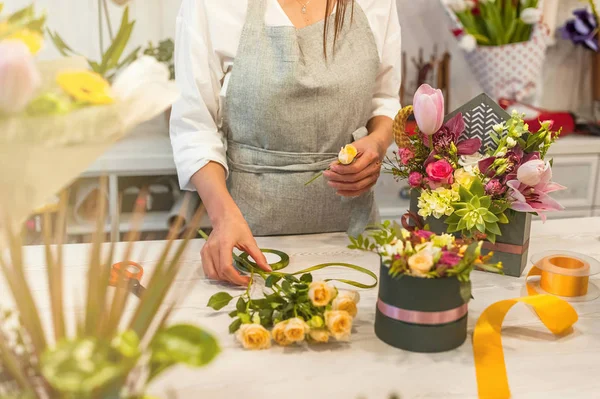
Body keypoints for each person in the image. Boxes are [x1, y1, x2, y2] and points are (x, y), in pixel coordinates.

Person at [170, 0, 401, 285]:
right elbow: (194, 126)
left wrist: (377, 142)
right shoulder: (209, 6)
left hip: (357, 242)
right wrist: (223, 218)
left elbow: (385, 100)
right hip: (250, 244)